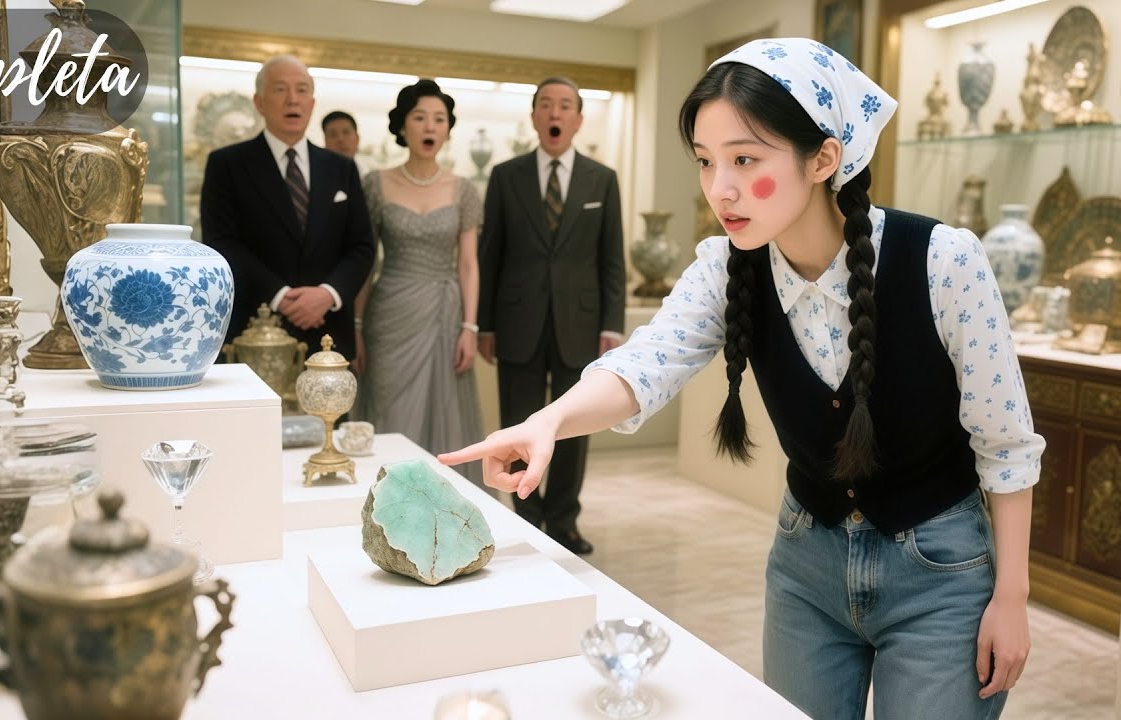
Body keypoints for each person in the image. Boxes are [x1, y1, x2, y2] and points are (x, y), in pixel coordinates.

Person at [443, 38, 1042, 720]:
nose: (719, 188)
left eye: (745, 160)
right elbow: (646, 364)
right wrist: (547, 421)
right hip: (804, 570)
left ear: (823, 158)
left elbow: (1007, 446)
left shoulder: (944, 261)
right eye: (705, 161)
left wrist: (1012, 597)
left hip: (940, 571)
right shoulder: (727, 267)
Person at [476, 76, 626, 554]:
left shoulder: (602, 178)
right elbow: (489, 255)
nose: (555, 113)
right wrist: (485, 325)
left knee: (572, 427)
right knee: (520, 422)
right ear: (534, 116)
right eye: (546, 105)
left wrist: (611, 323)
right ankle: (527, 515)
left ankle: (564, 519)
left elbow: (611, 259)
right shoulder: (505, 176)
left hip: (579, 327)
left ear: (578, 119)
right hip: (517, 322)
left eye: (565, 106)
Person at [352, 80, 484, 484]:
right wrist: (356, 327)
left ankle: (440, 511)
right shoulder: (375, 183)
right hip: (390, 312)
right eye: (420, 117)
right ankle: (385, 510)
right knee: (390, 411)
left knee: (445, 417)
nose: (430, 126)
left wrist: (470, 327)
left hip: (446, 315)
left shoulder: (463, 190)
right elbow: (365, 261)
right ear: (403, 126)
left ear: (447, 130)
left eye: (439, 119)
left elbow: (467, 264)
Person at [201, 55, 374, 359]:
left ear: (312, 101)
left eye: (302, 90)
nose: (293, 99)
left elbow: (361, 246)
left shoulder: (342, 168)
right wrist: (280, 297)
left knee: (328, 410)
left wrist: (327, 294)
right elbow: (221, 242)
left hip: (329, 332)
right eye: (280, 89)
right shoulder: (227, 164)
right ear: (259, 102)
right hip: (256, 329)